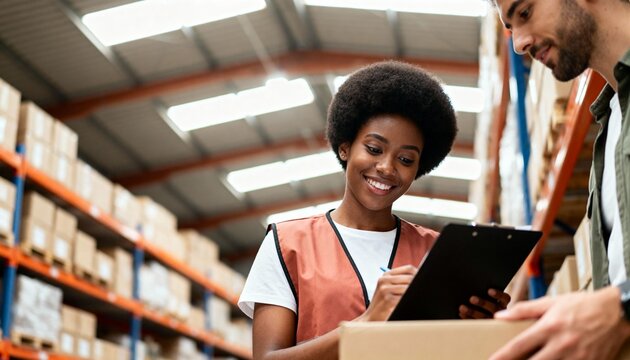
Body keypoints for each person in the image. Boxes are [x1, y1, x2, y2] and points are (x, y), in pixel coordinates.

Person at [238, 61, 511, 360]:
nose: (386, 168)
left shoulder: (440, 251)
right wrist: (366, 323)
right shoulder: (287, 243)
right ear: (345, 148)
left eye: (406, 160)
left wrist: (484, 327)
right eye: (373, 148)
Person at [488, 0, 630, 359]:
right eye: (510, 27)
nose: (518, 43)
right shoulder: (611, 125)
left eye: (524, 12)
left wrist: (623, 311)